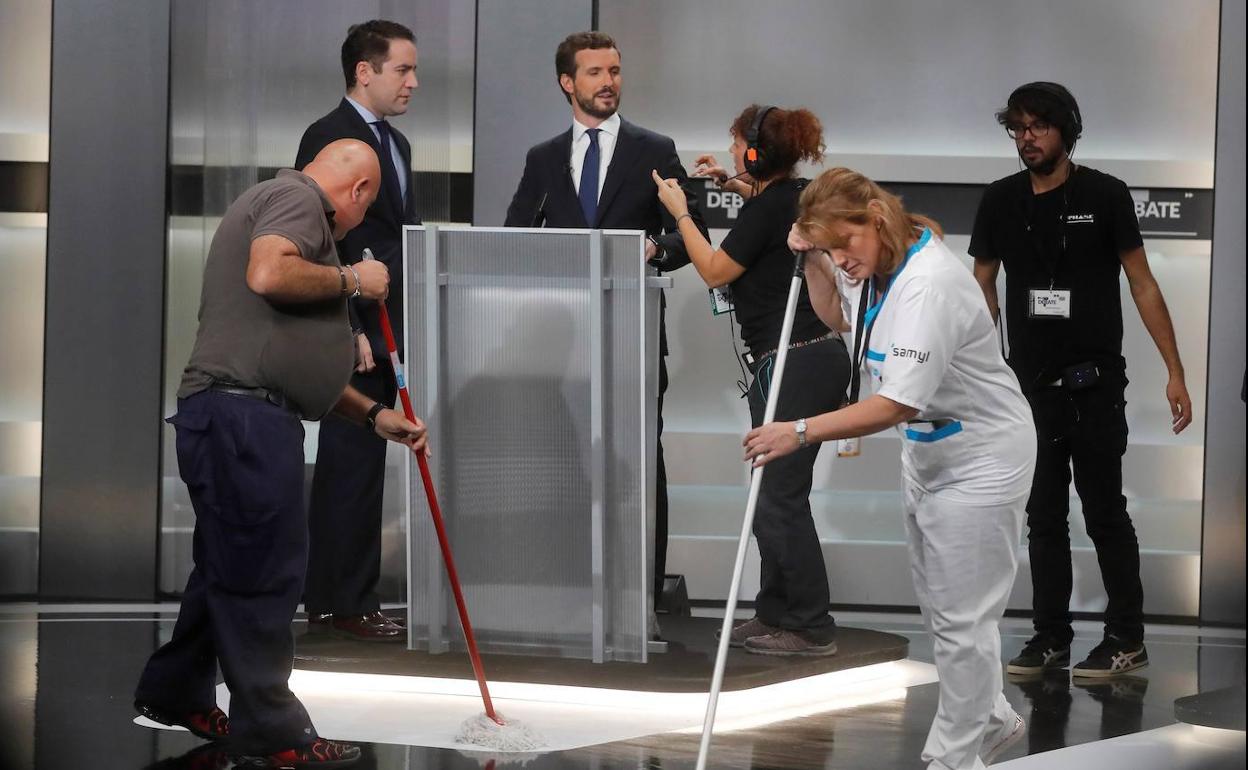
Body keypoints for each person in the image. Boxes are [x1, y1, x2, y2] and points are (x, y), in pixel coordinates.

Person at [133, 139, 428, 768]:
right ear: (359, 194)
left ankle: (173, 691)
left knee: (229, 569)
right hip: (244, 419)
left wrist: (374, 415)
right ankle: (272, 730)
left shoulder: (278, 200)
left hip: (234, 414)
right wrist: (356, 279)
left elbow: (289, 359)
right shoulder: (299, 200)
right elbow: (267, 273)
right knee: (264, 577)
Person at [745, 167, 1036, 769]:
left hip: (983, 458)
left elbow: (896, 402)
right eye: (830, 246)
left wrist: (798, 430)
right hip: (931, 453)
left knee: (962, 619)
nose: (842, 258)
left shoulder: (927, 284)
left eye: (844, 243)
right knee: (946, 609)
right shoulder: (874, 264)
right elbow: (839, 320)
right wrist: (816, 262)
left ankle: (954, 757)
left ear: (875, 220)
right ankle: (991, 717)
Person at [969, 82, 1193, 678]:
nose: (1027, 139)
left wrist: (1174, 371)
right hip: (1028, 388)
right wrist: (975, 372)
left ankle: (1126, 637)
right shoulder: (999, 201)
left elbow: (1142, 283)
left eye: (1038, 126)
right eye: (1017, 128)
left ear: (1066, 130)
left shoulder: (1105, 194)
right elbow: (980, 289)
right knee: (1042, 517)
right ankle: (1051, 637)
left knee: (1104, 512)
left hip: (1095, 384)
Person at [503, 31, 708, 617]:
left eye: (614, 71)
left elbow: (689, 239)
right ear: (568, 83)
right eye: (594, 73)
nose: (608, 82)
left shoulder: (654, 149)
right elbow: (516, 236)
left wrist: (652, 248)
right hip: (560, 340)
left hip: (633, 334)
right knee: (563, 457)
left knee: (639, 458)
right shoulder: (544, 158)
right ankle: (568, 583)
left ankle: (639, 593)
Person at [652, 104, 847, 656]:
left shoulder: (770, 209)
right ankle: (774, 613)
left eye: (737, 145)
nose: (734, 152)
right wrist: (733, 184)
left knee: (780, 498)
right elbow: (770, 209)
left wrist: (681, 213)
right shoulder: (788, 197)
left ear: (756, 152)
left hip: (796, 361)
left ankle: (810, 625)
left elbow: (714, 270)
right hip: (799, 360)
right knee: (773, 493)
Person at [295, 20, 422, 642]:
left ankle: (342, 596)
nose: (413, 82)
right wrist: (348, 326)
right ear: (364, 71)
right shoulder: (327, 139)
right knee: (349, 462)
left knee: (366, 462)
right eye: (402, 69)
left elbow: (401, 239)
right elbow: (313, 242)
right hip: (354, 329)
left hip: (391, 325)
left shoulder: (398, 144)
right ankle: (341, 601)